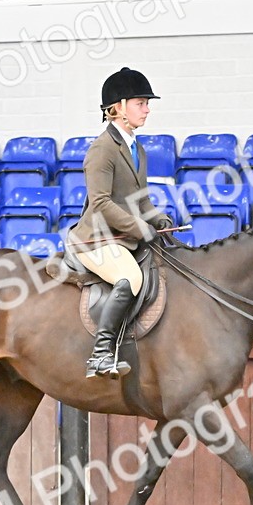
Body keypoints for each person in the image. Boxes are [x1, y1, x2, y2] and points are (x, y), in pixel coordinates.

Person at [67, 67, 175, 379]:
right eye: (141, 103)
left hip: (121, 237)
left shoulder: (137, 148)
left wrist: (158, 219)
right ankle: (100, 354)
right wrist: (140, 228)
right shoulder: (102, 149)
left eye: (147, 104)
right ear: (119, 107)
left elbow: (141, 200)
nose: (147, 109)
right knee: (130, 278)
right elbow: (100, 203)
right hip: (96, 239)